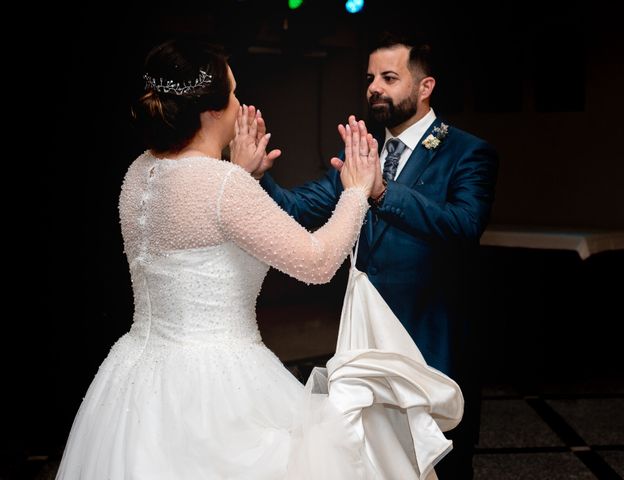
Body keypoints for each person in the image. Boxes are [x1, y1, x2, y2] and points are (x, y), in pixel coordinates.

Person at [55, 38, 463, 479]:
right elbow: (318, 261)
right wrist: (356, 191)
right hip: (218, 384)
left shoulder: (138, 172)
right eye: (232, 94)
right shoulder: (223, 188)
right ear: (211, 111)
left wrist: (239, 176)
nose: (238, 104)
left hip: (134, 376)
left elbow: (197, 226)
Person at [252, 32, 499, 479]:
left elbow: (463, 226)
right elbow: (295, 210)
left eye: (389, 77)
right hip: (364, 340)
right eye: (370, 78)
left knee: (441, 460)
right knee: (369, 457)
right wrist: (257, 178)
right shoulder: (363, 156)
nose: (374, 88)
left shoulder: (467, 152)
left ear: (425, 88)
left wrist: (382, 192)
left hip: (430, 337)